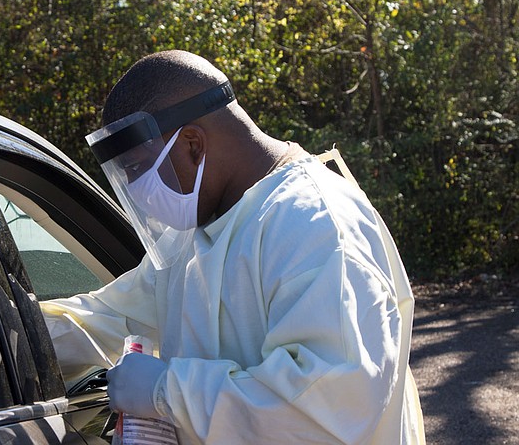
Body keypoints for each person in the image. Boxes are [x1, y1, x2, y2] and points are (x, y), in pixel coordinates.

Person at [41, 50, 425, 444]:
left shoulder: (315, 222)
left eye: (139, 168)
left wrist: (166, 392)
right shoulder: (194, 237)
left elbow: (330, 410)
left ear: (192, 144)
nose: (138, 194)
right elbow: (106, 318)